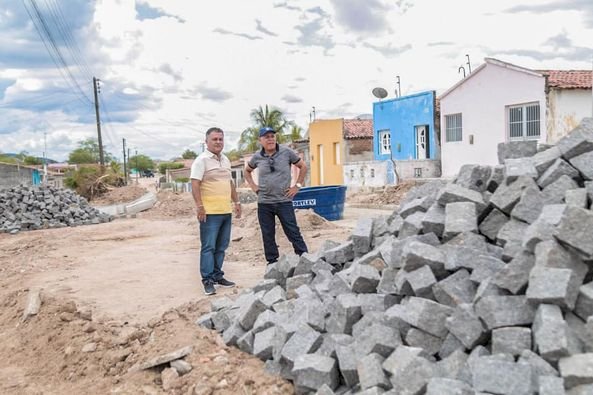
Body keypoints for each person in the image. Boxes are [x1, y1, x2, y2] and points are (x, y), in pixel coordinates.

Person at [245, 126, 308, 264]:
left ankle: (304, 257)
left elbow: (303, 167)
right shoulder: (257, 157)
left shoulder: (286, 152)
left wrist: (297, 186)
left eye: (272, 136)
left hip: (283, 201)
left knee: (293, 231)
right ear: (260, 140)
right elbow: (247, 171)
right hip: (264, 203)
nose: (270, 139)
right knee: (267, 235)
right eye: (266, 137)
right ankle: (272, 262)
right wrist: (254, 186)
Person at [190, 127, 241, 295]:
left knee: (221, 247)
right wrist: (200, 206)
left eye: (221, 139)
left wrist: (237, 201)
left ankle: (218, 275)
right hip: (209, 212)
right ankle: (207, 280)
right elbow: (195, 183)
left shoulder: (225, 160)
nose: (218, 142)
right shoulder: (201, 160)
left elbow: (230, 183)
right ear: (207, 142)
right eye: (215, 139)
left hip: (225, 210)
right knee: (208, 247)